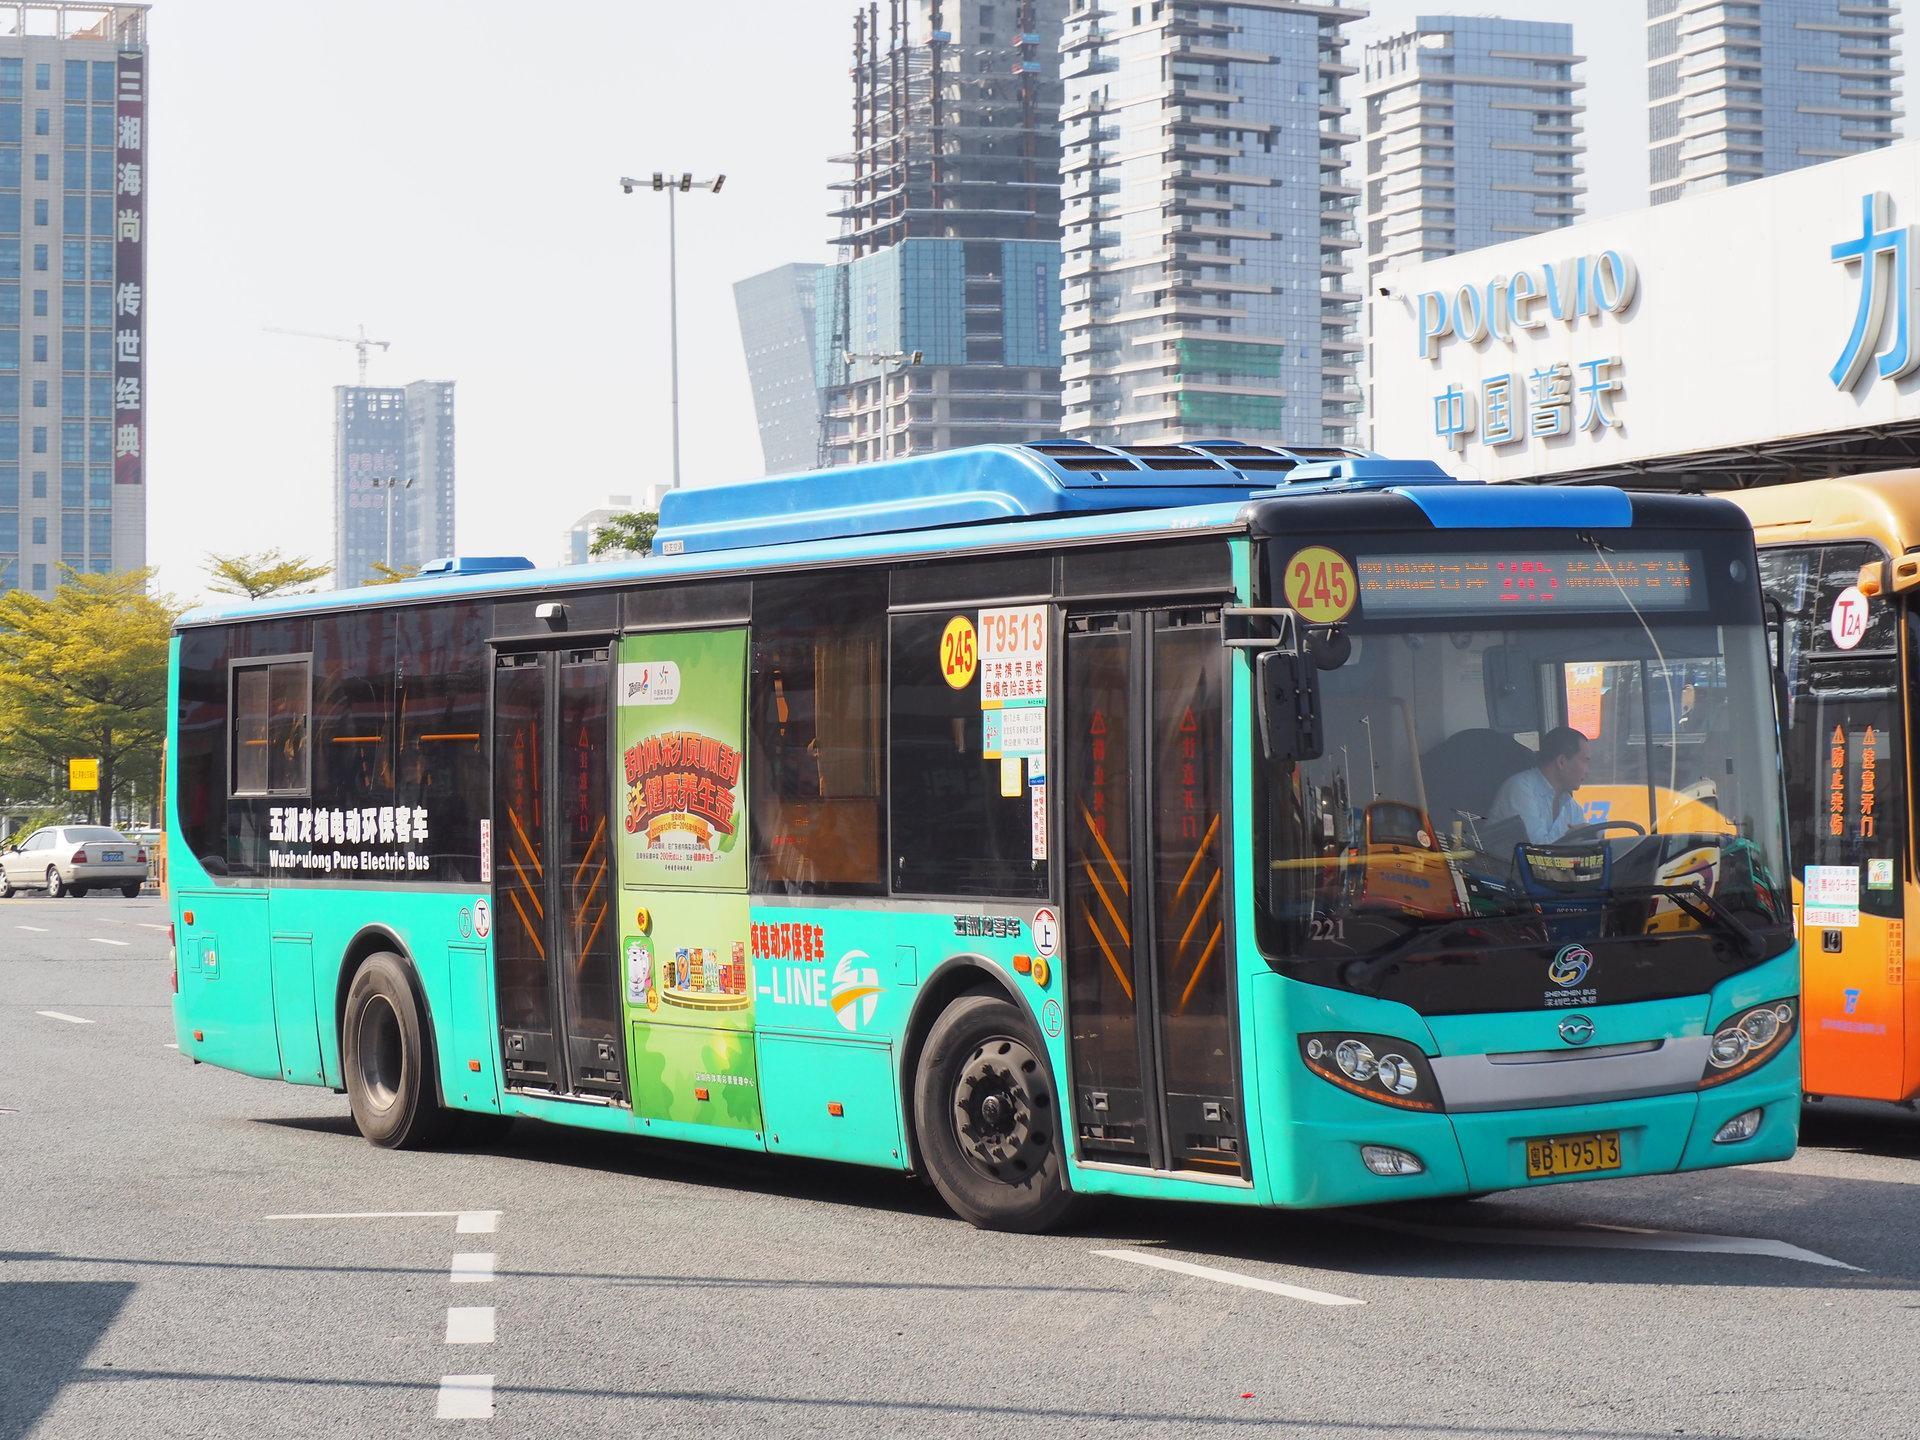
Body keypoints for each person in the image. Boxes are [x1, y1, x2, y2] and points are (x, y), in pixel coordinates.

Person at [1486, 726, 1590, 844]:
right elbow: (1536, 851)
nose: (1587, 771)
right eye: (1585, 761)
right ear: (1561, 762)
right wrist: (1569, 838)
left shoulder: (1571, 806)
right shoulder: (1520, 789)